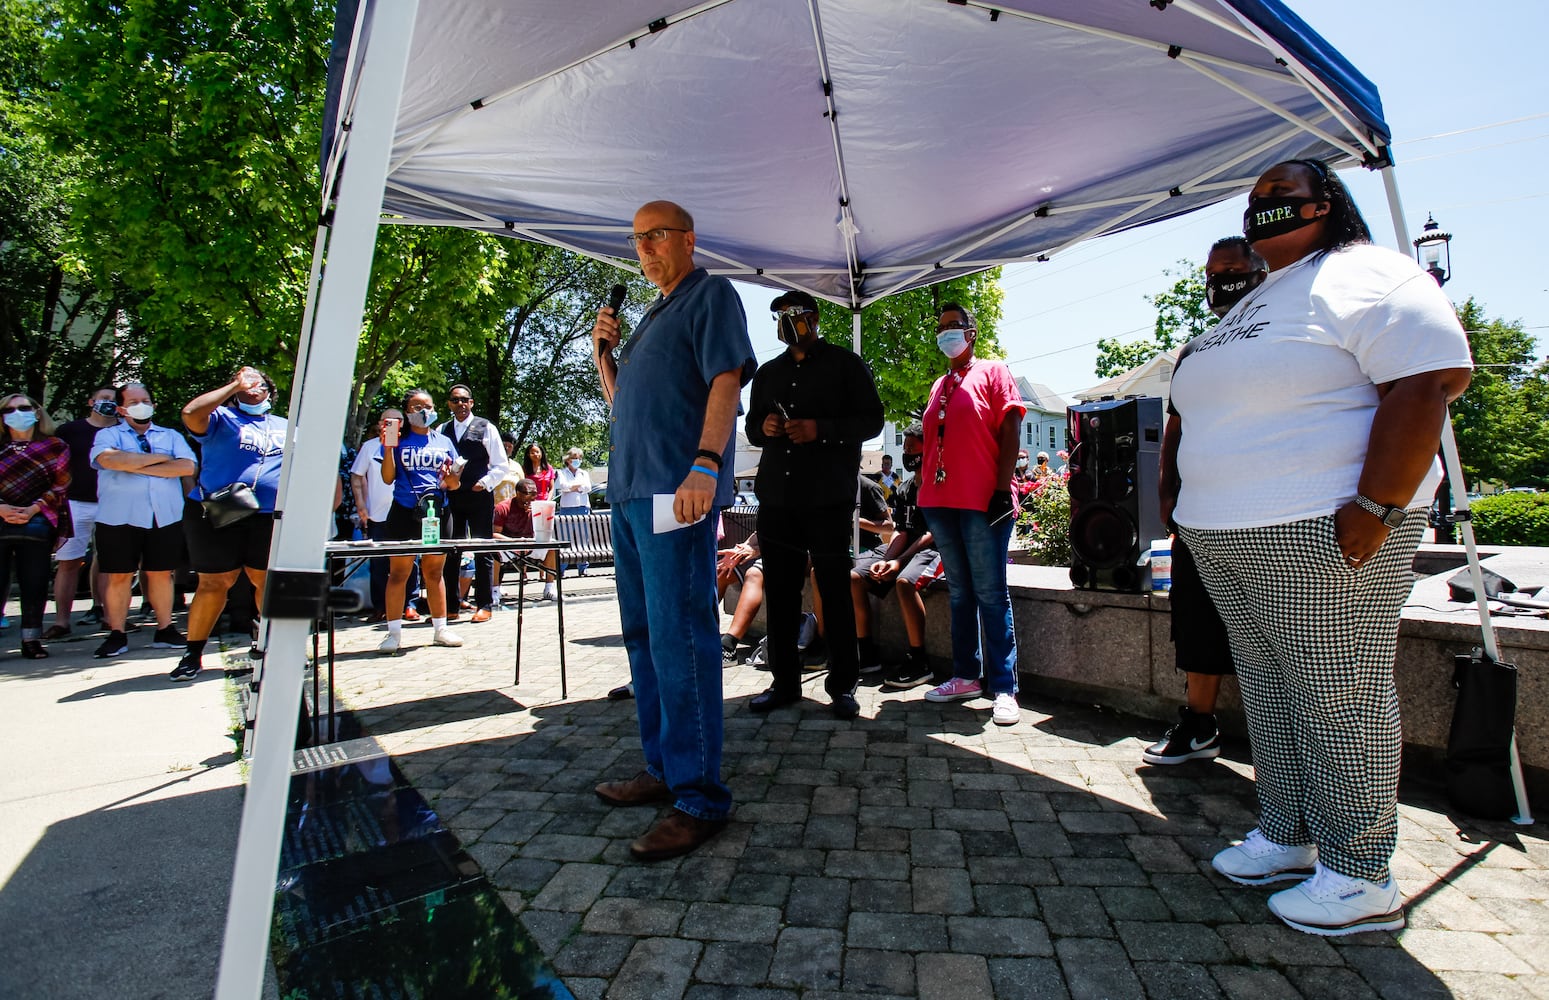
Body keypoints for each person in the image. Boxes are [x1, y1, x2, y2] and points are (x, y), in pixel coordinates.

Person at [1172, 159, 1471, 936]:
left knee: (1337, 692)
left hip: (1316, 527)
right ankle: (1289, 834)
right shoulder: (1260, 295)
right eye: (1254, 200)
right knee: (1270, 690)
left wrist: (1376, 506)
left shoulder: (1366, 271)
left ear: (1327, 203)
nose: (1264, 207)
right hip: (1228, 534)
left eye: (1282, 195)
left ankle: (1359, 873)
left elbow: (1427, 380)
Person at [589, 199, 756, 861]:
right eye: (635, 240)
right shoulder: (653, 316)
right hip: (632, 496)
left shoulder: (709, 294)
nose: (643, 248)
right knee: (644, 638)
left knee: (682, 638)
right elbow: (623, 409)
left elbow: (726, 379)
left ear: (687, 238)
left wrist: (705, 464)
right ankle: (662, 768)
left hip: (675, 494)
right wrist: (605, 358)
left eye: (654, 235)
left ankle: (699, 797)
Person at [1143, 236, 1268, 765]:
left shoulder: (1283, 333)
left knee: (1271, 637)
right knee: (1195, 622)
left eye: (1233, 270)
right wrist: (1167, 489)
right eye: (1213, 273)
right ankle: (1198, 725)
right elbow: (1177, 424)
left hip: (1267, 512)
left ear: (1261, 273)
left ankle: (1281, 752)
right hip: (1200, 515)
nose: (1221, 281)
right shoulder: (1197, 349)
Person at [743, 289, 884, 719]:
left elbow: (872, 419)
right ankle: (784, 682)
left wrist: (819, 429)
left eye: (795, 314)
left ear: (815, 316)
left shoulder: (845, 364)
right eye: (780, 317)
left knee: (834, 590)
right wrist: (764, 425)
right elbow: (750, 429)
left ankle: (843, 686)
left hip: (827, 498)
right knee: (781, 593)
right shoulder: (768, 373)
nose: (788, 322)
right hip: (778, 500)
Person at [918, 303, 1026, 726]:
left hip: (984, 500)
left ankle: (1004, 687)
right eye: (941, 327)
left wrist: (1002, 490)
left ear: (971, 333)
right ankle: (965, 675)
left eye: (954, 326)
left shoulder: (994, 371)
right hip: (940, 501)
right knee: (959, 593)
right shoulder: (937, 384)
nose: (946, 333)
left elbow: (1011, 427)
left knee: (990, 592)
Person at [174, 367, 286, 682]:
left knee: (266, 581)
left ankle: (273, 649)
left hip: (266, 515)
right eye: (244, 380)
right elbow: (190, 413)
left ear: (269, 391)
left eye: (258, 381)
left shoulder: (286, 426)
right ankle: (192, 653)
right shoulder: (221, 417)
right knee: (214, 583)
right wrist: (234, 385)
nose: (251, 385)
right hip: (217, 512)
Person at [88, 383, 196, 658]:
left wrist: (132, 462)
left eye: (145, 400)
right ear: (122, 408)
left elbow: (186, 466)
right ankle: (116, 633)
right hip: (118, 517)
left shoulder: (171, 435)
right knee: (119, 576)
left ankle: (165, 629)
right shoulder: (107, 435)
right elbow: (108, 461)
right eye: (134, 401)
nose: (141, 405)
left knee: (161, 573)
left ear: (153, 405)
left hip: (164, 516)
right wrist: (160, 460)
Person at [377, 389, 465, 654]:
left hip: (435, 512)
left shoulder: (444, 441)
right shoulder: (398, 439)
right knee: (400, 573)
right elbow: (388, 477)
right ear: (406, 411)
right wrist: (389, 448)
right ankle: (393, 633)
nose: (423, 411)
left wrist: (451, 477)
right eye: (416, 407)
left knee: (434, 571)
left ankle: (441, 629)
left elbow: (453, 484)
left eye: (427, 406)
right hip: (404, 511)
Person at [863, 423, 948, 690]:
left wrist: (899, 562)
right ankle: (866, 652)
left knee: (904, 583)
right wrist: (887, 558)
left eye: (913, 447)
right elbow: (901, 529)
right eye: (905, 447)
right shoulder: (905, 488)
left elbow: (932, 534)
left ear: (929, 448)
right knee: (856, 577)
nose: (907, 453)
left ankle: (920, 660)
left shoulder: (940, 482)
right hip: (906, 550)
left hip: (935, 551)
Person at [0, 393, 71, 659]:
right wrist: (2, 509)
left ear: (37, 412)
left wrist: (32, 509)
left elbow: (61, 485)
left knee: (35, 582)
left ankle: (31, 640)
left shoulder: (56, 446)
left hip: (39, 520)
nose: (17, 412)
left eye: (24, 407)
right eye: (9, 409)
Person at [44, 385, 118, 639]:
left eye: (114, 400)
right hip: (74, 503)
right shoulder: (69, 431)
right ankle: (61, 621)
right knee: (69, 562)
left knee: (111, 563)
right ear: (91, 401)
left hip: (113, 502)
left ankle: (111, 619)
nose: (109, 403)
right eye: (104, 398)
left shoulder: (124, 431)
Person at [435, 385, 508, 624]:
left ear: (472, 402)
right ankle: (451, 605)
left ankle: (484, 604)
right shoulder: (441, 430)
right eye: (455, 400)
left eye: (465, 400)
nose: (461, 404)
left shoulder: (486, 427)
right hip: (452, 497)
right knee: (451, 550)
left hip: (478, 495)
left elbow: (501, 465)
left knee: (482, 549)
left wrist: (484, 483)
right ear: (449, 404)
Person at [350, 409, 422, 623]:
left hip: (406, 512)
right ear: (380, 424)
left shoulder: (412, 444)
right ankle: (381, 606)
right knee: (379, 563)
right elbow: (356, 476)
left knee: (411, 561)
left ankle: (410, 604)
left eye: (397, 421)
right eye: (387, 421)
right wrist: (360, 504)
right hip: (378, 514)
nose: (392, 425)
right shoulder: (370, 447)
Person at [554, 446, 593, 577]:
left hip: (583, 507)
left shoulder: (584, 473)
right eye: (574, 458)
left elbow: (587, 487)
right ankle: (561, 568)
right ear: (568, 460)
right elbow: (562, 487)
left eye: (579, 458)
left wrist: (573, 487)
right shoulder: (562, 473)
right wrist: (577, 486)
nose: (577, 460)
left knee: (583, 538)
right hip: (567, 508)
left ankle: (583, 568)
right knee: (565, 538)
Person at [491, 431, 526, 505]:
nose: (506, 448)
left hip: (512, 510)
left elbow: (523, 488)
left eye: (510, 446)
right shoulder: (489, 465)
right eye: (504, 445)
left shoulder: (517, 467)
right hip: (492, 509)